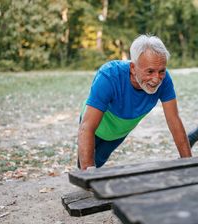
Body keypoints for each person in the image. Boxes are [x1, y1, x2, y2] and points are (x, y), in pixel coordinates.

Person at [77, 34, 192, 170]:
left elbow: (174, 120)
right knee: (85, 166)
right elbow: (87, 127)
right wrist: (88, 174)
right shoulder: (109, 76)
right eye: (150, 71)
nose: (156, 79)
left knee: (99, 160)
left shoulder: (165, 80)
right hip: (96, 127)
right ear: (133, 68)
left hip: (119, 131)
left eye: (161, 71)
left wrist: (189, 164)